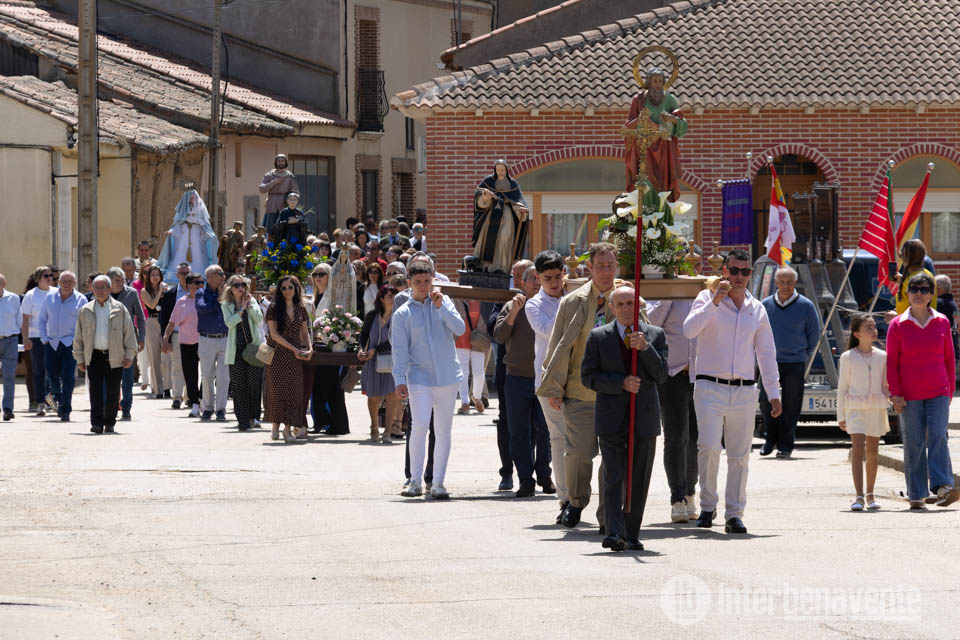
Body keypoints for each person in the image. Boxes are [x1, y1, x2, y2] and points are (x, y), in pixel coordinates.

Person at [682, 249, 781, 534]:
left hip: (744, 390)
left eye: (744, 272)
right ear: (725, 271)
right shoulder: (706, 299)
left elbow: (766, 352)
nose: (739, 277)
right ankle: (707, 506)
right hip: (709, 386)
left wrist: (774, 393)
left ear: (750, 274)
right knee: (710, 447)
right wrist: (715, 301)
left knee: (740, 455)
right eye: (734, 271)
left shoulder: (756, 307)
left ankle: (734, 513)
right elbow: (689, 330)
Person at [538, 242, 624, 530]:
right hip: (579, 392)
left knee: (612, 457)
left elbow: (644, 332)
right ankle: (575, 502)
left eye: (611, 266)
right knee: (578, 453)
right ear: (590, 268)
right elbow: (557, 347)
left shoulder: (627, 299)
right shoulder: (572, 302)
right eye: (600, 266)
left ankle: (608, 513)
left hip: (616, 393)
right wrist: (553, 387)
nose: (606, 271)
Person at [582, 286, 668, 551]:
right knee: (614, 474)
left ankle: (632, 533)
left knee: (639, 476)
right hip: (611, 417)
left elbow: (662, 374)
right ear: (611, 307)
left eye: (630, 303)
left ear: (639, 305)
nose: (625, 308)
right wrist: (621, 383)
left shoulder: (655, 335)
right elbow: (589, 377)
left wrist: (645, 349)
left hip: (644, 417)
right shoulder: (598, 337)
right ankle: (614, 531)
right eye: (619, 304)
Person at [392, 260, 465, 500]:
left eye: (427, 281)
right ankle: (414, 480)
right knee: (420, 425)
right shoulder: (403, 313)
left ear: (433, 278)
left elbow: (460, 329)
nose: (423, 286)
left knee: (443, 430)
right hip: (418, 376)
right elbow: (400, 348)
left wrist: (442, 307)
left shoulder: (444, 303)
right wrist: (398, 378)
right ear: (409, 283)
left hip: (447, 375)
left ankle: (438, 482)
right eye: (418, 282)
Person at [886, 273, 958, 509]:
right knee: (914, 442)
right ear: (907, 294)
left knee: (938, 436)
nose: (919, 293)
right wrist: (894, 393)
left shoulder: (942, 321)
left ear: (931, 295)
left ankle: (943, 487)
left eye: (924, 289)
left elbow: (949, 358)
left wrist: (949, 391)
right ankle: (916, 494)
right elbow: (892, 363)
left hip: (938, 390)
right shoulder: (897, 325)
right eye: (914, 289)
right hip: (908, 395)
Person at [494, 265, 554, 498]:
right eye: (533, 280)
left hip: (545, 376)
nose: (537, 284)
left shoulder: (550, 306)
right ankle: (525, 479)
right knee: (518, 431)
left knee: (546, 430)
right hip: (516, 377)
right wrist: (514, 313)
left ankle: (545, 475)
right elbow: (499, 336)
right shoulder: (512, 306)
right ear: (523, 283)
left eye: (541, 280)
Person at [646, 296, 699, 523]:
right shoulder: (662, 294)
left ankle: (690, 492)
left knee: (697, 440)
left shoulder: (705, 292)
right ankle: (677, 498)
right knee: (676, 438)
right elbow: (650, 324)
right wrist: (667, 298)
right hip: (672, 376)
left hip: (700, 375)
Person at [526, 250, 570, 521]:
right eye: (547, 278)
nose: (554, 283)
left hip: (578, 377)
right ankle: (565, 498)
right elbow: (550, 332)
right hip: (549, 379)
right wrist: (570, 304)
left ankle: (578, 491)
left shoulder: (575, 297)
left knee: (582, 441)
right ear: (538, 278)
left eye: (558, 276)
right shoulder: (534, 305)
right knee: (559, 438)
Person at [759, 266, 820, 458]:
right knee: (766, 402)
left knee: (792, 404)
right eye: (782, 282)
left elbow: (814, 335)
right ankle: (770, 440)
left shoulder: (806, 306)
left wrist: (802, 354)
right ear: (776, 283)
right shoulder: (765, 305)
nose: (785, 286)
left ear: (795, 283)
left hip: (794, 362)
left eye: (789, 282)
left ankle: (786, 445)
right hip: (769, 363)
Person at [837, 314, 891, 511]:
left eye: (874, 327)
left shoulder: (883, 356)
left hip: (876, 408)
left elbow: (886, 384)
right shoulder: (847, 357)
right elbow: (842, 387)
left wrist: (894, 397)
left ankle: (871, 494)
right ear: (857, 333)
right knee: (858, 449)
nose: (873, 330)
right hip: (854, 409)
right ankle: (858, 496)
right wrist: (840, 416)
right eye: (868, 328)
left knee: (873, 452)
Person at [74, 276, 137, 434]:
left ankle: (110, 422)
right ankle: (96, 423)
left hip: (114, 355)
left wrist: (130, 354)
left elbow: (129, 333)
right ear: (92, 290)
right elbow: (78, 337)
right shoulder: (86, 310)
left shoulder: (120, 309)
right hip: (94, 355)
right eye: (97, 288)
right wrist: (80, 358)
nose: (100, 291)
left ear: (109, 289)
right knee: (95, 391)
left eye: (103, 287)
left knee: (113, 391)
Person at [623, 66, 688, 198]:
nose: (657, 85)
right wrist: (642, 123)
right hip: (644, 147)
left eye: (660, 81)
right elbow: (629, 126)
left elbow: (683, 124)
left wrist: (673, 120)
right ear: (648, 82)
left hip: (664, 148)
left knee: (663, 182)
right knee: (645, 181)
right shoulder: (638, 100)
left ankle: (663, 206)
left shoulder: (669, 100)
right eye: (654, 81)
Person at [264, 275, 312, 443]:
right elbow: (274, 335)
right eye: (283, 288)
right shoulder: (273, 307)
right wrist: (295, 349)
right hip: (277, 352)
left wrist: (309, 347)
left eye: (290, 287)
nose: (287, 291)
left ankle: (286, 428)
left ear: (296, 289)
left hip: (294, 354)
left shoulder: (300, 308)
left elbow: (305, 333)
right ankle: (277, 426)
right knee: (277, 390)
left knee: (293, 391)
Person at [37, 271, 87, 422]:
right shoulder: (49, 298)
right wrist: (44, 339)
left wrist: (80, 342)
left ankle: (65, 409)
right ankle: (57, 397)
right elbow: (41, 320)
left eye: (70, 281)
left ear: (75, 283)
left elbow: (85, 323)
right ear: (58, 282)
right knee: (51, 373)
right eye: (64, 281)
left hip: (70, 343)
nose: (66, 284)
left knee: (68, 377)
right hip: (51, 342)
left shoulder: (81, 299)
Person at [358, 285, 400, 443]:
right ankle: (374, 426)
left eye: (395, 296)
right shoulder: (372, 316)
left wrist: (374, 349)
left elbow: (399, 340)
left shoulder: (400, 316)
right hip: (372, 361)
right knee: (374, 396)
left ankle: (388, 431)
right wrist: (361, 349)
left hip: (394, 361)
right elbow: (363, 337)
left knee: (392, 396)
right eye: (389, 296)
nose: (392, 299)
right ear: (381, 299)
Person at [221, 275, 264, 431]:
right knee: (239, 387)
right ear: (231, 288)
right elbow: (229, 323)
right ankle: (243, 421)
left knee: (253, 384)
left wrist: (249, 306)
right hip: (236, 350)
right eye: (237, 285)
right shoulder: (226, 305)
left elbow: (259, 319)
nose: (241, 288)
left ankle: (253, 416)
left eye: (243, 285)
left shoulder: (251, 302)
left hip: (252, 348)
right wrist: (240, 310)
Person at [472, 161, 529, 274]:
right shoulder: (488, 181)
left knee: (504, 239)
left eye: (502, 170)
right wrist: (485, 199)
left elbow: (518, 202)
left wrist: (521, 210)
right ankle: (482, 267)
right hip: (490, 215)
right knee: (485, 239)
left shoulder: (513, 185)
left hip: (507, 217)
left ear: (506, 170)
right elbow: (478, 199)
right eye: (498, 170)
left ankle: (501, 268)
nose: (500, 172)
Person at [162, 273, 203, 417]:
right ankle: (195, 403)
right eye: (196, 283)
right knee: (190, 374)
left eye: (201, 282)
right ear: (188, 285)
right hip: (186, 342)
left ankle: (203, 399)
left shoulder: (207, 299)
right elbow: (172, 322)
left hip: (204, 341)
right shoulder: (182, 302)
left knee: (208, 373)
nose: (200, 285)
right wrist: (166, 339)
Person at [107, 267, 146, 421]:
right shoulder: (104, 293)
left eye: (122, 280)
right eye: (117, 280)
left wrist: (141, 338)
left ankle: (126, 407)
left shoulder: (131, 293)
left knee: (127, 376)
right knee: (110, 376)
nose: (120, 283)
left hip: (128, 339)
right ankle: (111, 405)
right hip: (108, 340)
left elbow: (141, 317)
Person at [156, 190, 219, 283]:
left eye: (193, 197)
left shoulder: (199, 210)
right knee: (180, 253)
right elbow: (177, 225)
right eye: (190, 198)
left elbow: (205, 226)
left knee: (198, 254)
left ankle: (198, 274)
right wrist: (171, 232)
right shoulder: (182, 211)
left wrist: (208, 235)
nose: (192, 200)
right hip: (183, 236)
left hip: (196, 234)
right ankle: (179, 274)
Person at [20, 266, 56, 416]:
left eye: (51, 276)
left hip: (54, 337)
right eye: (46, 276)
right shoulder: (30, 295)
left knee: (54, 370)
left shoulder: (57, 293)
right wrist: (26, 338)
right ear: (38, 279)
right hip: (36, 337)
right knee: (39, 370)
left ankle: (53, 400)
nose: (50, 278)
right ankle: (40, 402)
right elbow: (25, 319)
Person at [196, 265, 230, 422]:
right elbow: (201, 308)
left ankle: (221, 409)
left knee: (224, 376)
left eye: (223, 274)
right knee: (207, 375)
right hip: (206, 338)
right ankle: (208, 408)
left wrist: (225, 296)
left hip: (225, 338)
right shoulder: (201, 293)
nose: (223, 276)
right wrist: (218, 300)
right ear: (209, 277)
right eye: (219, 274)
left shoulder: (228, 294)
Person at [159, 263, 191, 409]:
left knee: (192, 366)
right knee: (177, 366)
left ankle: (190, 396)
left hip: (195, 335)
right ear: (177, 275)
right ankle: (177, 397)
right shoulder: (169, 295)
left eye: (187, 273)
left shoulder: (199, 293)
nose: (185, 276)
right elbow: (164, 319)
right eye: (182, 273)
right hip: (177, 335)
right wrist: (166, 339)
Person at [139, 264, 167, 398]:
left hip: (165, 322)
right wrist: (160, 292)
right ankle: (158, 389)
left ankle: (167, 386)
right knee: (154, 356)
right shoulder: (144, 291)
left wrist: (163, 292)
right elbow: (151, 305)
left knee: (167, 356)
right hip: (152, 322)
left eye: (157, 275)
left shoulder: (166, 290)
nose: (155, 278)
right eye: (152, 275)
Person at [455, 299, 487, 414]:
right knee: (462, 372)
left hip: (478, 338)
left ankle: (477, 397)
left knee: (479, 372)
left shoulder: (481, 299)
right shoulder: (456, 299)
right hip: (461, 337)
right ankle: (465, 402)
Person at [259, 154, 299, 234]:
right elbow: (261, 189)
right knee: (270, 225)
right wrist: (273, 182)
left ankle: (283, 244)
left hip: (284, 202)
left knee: (284, 225)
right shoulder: (269, 174)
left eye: (282, 161)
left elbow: (295, 192)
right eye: (279, 161)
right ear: (276, 162)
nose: (280, 163)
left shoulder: (290, 176)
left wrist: (291, 200)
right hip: (272, 202)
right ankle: (270, 243)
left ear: (285, 162)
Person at [0, 274, 21, 421]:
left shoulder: (13, 298)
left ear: (4, 283)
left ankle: (8, 408)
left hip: (10, 340)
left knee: (8, 375)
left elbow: (18, 319)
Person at [935, 274, 959, 368]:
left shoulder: (939, 303)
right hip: (953, 349)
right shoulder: (953, 304)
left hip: (943, 353)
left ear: (939, 288)